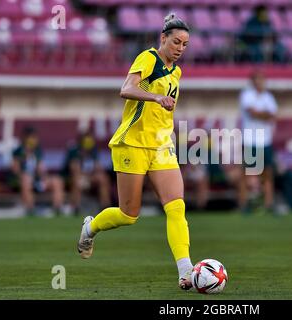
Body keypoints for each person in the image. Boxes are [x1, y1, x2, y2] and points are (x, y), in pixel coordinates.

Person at [76, 13, 194, 290]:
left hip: (161, 146)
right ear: (163, 39)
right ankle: (90, 228)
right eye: (176, 42)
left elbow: (161, 112)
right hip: (132, 143)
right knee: (129, 214)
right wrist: (154, 96)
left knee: (176, 207)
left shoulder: (176, 72)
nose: (180, 48)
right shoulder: (149, 58)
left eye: (185, 44)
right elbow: (126, 89)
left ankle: (186, 271)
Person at [239, 70, 278, 214]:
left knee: (267, 173)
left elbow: (273, 115)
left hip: (265, 140)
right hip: (250, 139)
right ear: (253, 81)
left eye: (262, 79)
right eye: (257, 79)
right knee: (247, 174)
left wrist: (262, 114)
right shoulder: (247, 95)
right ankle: (244, 204)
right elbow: (252, 113)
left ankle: (268, 204)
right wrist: (265, 114)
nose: (260, 82)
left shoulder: (268, 97)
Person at [10, 126, 64, 216]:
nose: (33, 140)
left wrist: (42, 175)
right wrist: (25, 155)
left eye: (35, 138)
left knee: (57, 181)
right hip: (23, 180)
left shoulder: (38, 151)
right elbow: (15, 170)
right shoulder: (18, 151)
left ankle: (57, 208)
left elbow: (41, 169)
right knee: (26, 179)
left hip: (36, 179)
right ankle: (30, 209)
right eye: (31, 138)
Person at [62, 130, 111, 216]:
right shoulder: (74, 151)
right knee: (77, 180)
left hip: (89, 177)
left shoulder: (94, 151)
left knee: (103, 178)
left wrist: (91, 177)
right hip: (74, 178)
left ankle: (105, 207)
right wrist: (85, 177)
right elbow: (74, 169)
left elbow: (98, 167)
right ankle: (75, 208)